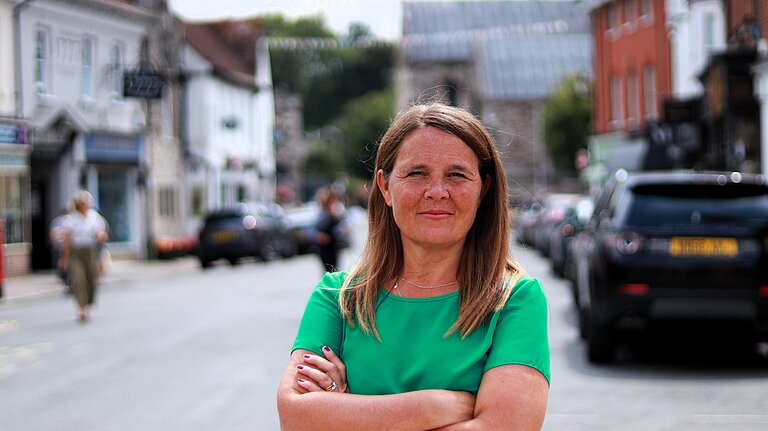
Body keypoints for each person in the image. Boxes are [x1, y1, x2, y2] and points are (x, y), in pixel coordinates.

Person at [277, 103, 550, 430]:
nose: (437, 192)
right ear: (385, 186)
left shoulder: (515, 300)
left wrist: (344, 410)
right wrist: (436, 405)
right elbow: (295, 417)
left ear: (483, 189)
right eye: (417, 173)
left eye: (457, 174)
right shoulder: (336, 297)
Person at [58, 190, 109, 322]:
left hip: (90, 250)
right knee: (78, 279)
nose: (84, 206)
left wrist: (100, 237)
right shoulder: (71, 219)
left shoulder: (95, 217)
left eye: (86, 203)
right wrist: (64, 258)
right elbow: (67, 240)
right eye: (81, 203)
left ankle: (87, 304)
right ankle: (81, 308)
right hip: (75, 251)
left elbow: (102, 235)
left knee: (91, 279)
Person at [312, 185, 347, 273]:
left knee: (334, 267)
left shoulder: (338, 209)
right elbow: (314, 228)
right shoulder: (321, 211)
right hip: (324, 246)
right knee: (326, 269)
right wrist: (319, 235)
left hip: (334, 244)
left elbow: (343, 226)